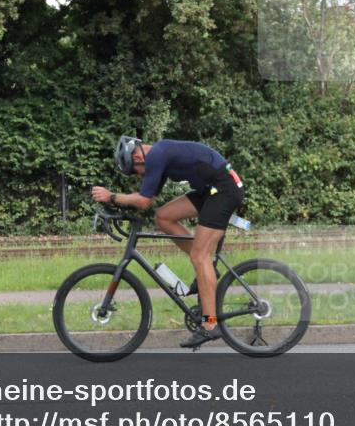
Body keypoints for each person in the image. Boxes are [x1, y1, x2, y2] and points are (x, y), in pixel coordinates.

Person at [91, 136, 245, 348]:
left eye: (135, 171)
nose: (139, 175)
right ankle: (207, 268)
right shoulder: (159, 157)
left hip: (223, 191)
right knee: (163, 217)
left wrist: (112, 197)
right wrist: (118, 205)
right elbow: (147, 202)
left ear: (138, 157)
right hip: (211, 190)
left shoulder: (157, 155)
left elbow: (143, 200)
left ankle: (210, 324)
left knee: (199, 256)